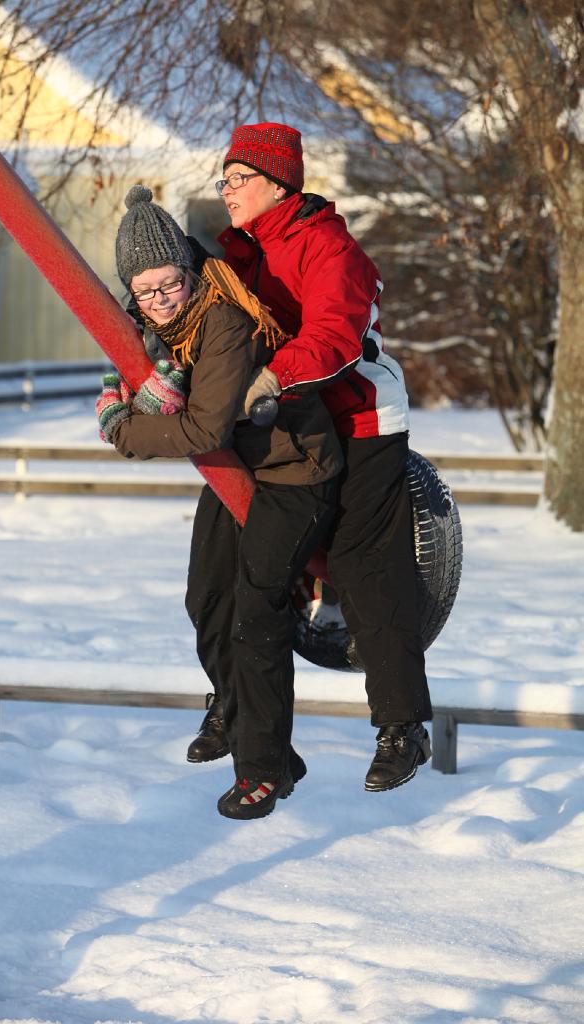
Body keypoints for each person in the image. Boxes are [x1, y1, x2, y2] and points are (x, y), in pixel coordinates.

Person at [186, 122, 432, 792]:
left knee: (362, 564)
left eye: (239, 178)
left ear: (278, 184)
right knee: (214, 571)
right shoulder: (238, 254)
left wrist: (273, 375)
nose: (227, 190)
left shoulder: (328, 246)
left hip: (356, 418)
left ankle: (402, 727)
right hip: (273, 427)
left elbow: (332, 333)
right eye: (224, 179)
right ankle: (232, 703)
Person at [97, 184, 343, 819]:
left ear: (189, 269)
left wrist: (125, 431)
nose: (159, 301)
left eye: (170, 285)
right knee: (206, 600)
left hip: (292, 468)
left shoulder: (222, 319)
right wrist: (127, 393)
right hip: (238, 468)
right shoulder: (162, 326)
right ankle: (242, 721)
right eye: (145, 292)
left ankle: (263, 768)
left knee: (255, 611)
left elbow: (204, 428)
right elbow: (144, 376)